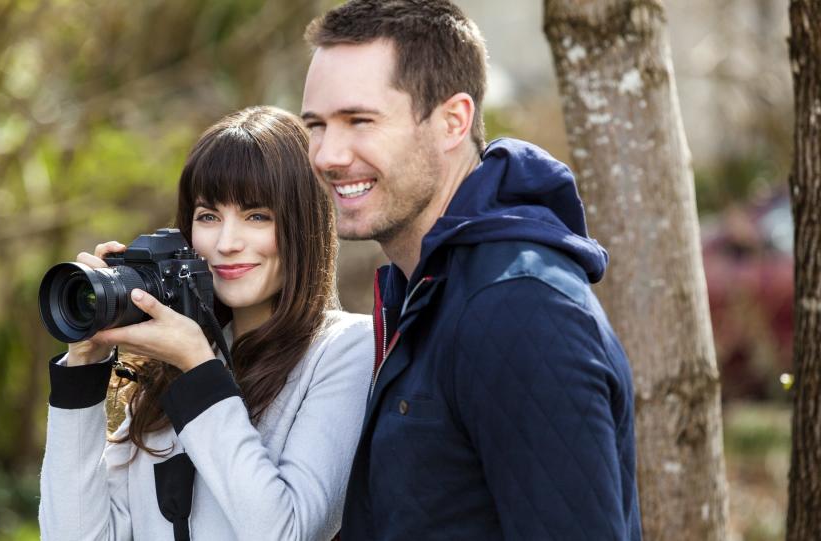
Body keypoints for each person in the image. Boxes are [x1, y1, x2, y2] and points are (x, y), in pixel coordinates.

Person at [300, 1, 642, 539]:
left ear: (452, 121)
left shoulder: (521, 309)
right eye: (316, 125)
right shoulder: (418, 286)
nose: (327, 155)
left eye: (359, 120)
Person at [38, 106, 373, 541]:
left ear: (303, 224)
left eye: (257, 216)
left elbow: (286, 531)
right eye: (208, 216)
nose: (226, 243)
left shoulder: (343, 350)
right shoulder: (162, 377)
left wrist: (198, 371)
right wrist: (82, 371)